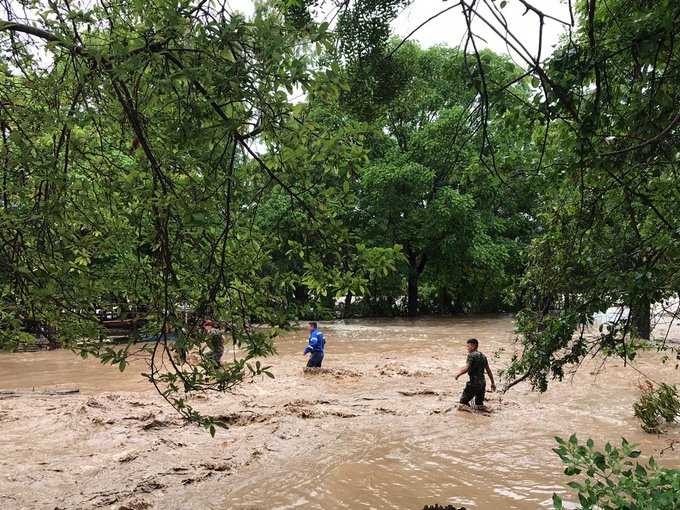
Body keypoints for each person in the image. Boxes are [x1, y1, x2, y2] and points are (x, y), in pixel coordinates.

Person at [454, 338, 496, 408]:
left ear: (473, 346)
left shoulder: (471, 355)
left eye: (468, 346)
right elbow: (488, 370)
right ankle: (480, 417)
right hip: (482, 383)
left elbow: (467, 368)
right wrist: (492, 383)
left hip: (474, 383)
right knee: (479, 404)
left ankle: (468, 417)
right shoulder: (483, 356)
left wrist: (458, 374)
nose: (467, 348)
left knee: (463, 402)